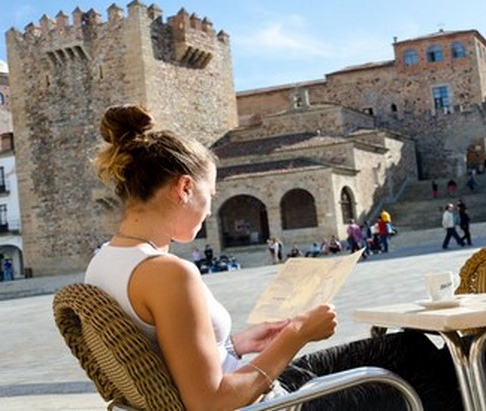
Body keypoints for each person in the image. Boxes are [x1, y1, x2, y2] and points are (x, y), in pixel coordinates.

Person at [85, 104, 462, 411]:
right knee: (421, 371)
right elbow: (210, 402)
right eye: (210, 196)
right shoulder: (168, 274)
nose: (209, 209)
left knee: (407, 347)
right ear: (184, 188)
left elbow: (174, 360)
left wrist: (236, 344)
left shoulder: (105, 263)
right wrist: (299, 334)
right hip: (269, 405)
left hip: (254, 389)